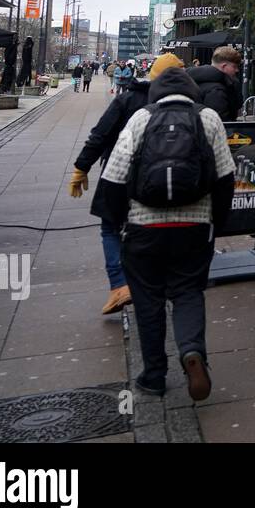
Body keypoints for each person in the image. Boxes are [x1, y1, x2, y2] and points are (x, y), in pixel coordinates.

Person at [98, 65, 235, 400]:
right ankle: (192, 352)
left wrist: (116, 222)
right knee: (188, 292)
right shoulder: (209, 118)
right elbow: (225, 176)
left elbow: (115, 175)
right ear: (192, 91)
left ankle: (154, 375)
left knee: (148, 301)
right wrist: (218, 220)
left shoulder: (142, 117)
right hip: (194, 225)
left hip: (145, 227)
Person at [69, 53, 188, 314]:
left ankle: (120, 285)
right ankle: (150, 282)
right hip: (165, 182)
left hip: (119, 174)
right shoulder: (188, 106)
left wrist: (81, 167)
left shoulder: (128, 99)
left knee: (110, 228)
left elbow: (100, 134)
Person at [191, 46, 243, 121]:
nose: (237, 70)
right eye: (234, 67)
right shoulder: (217, 90)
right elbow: (220, 121)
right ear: (224, 66)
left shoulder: (193, 79)